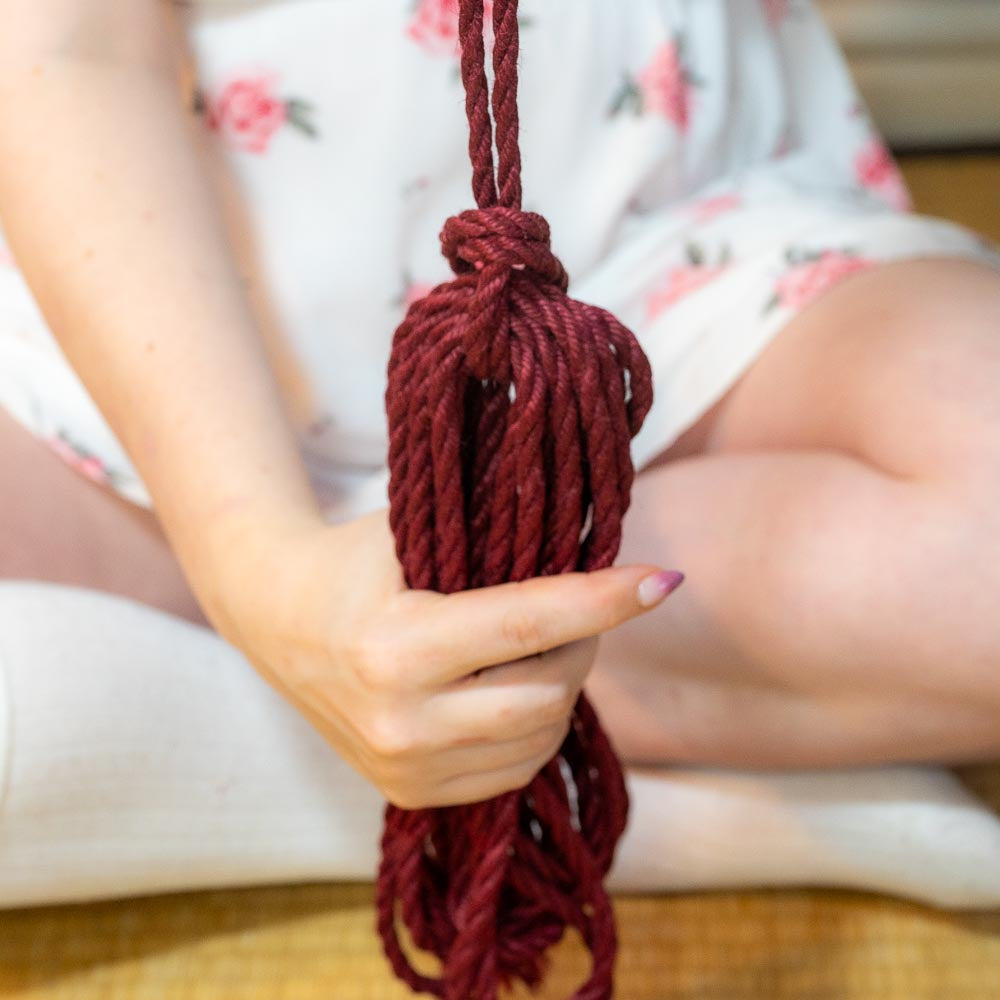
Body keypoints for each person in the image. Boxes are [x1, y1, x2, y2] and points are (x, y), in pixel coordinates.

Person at [0, 0, 999, 908]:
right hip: (140, 336)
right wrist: (254, 563)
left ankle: (314, 713)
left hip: (666, 244)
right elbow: (69, 45)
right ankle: (565, 802)